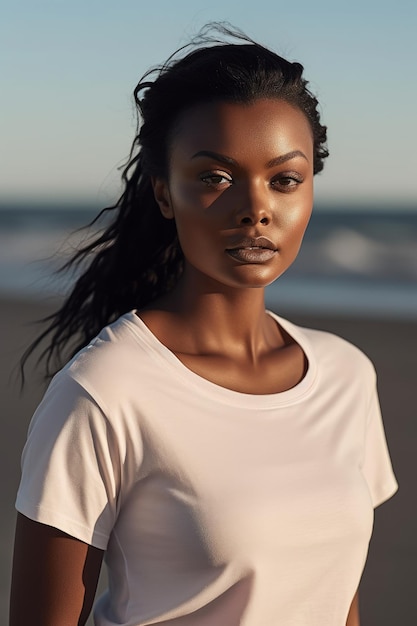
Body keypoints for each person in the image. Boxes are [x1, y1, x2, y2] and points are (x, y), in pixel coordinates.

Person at [10, 23, 397, 626]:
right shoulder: (105, 394)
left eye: (285, 179)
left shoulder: (346, 375)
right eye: (216, 177)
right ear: (165, 194)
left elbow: (337, 596)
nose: (256, 207)